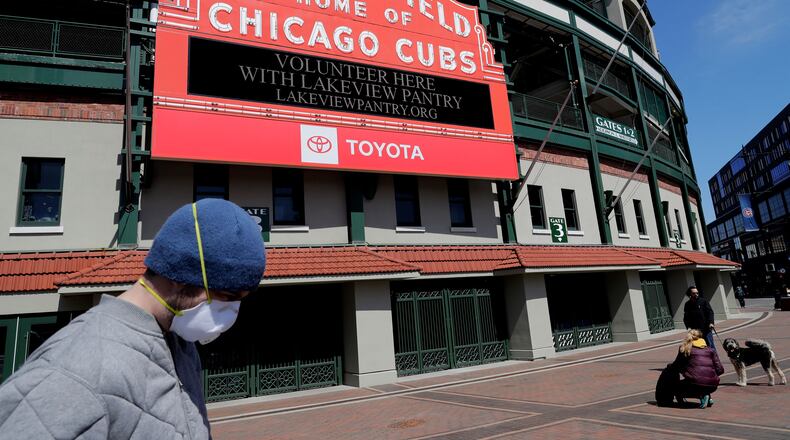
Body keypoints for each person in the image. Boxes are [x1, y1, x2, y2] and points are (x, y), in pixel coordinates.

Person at [0, 199, 266, 439]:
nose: (231, 309)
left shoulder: (180, 343)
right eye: (228, 295)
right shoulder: (70, 374)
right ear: (179, 272)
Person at [670, 329, 724, 408]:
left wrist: (672, 368)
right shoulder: (710, 349)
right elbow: (720, 370)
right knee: (702, 384)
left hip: (695, 383)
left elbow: (676, 365)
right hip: (713, 385)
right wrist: (710, 375)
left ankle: (699, 396)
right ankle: (707, 396)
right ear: (701, 338)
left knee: (675, 387)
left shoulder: (685, 349)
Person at [683, 285, 717, 352]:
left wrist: (711, 323)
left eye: (697, 293)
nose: (696, 294)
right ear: (690, 294)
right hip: (695, 331)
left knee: (710, 346)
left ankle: (715, 361)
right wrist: (688, 326)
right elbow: (686, 316)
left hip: (706, 329)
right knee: (698, 347)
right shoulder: (687, 304)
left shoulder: (703, 301)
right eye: (694, 293)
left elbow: (710, 312)